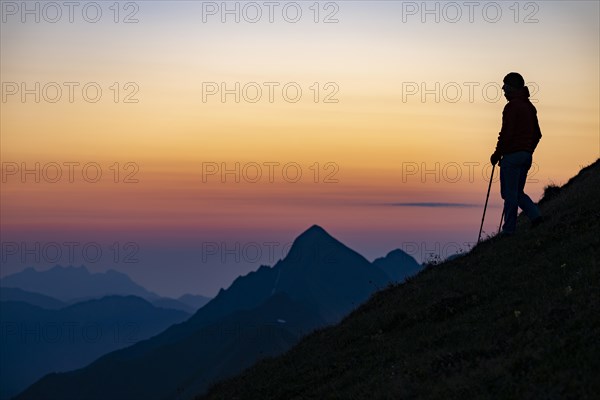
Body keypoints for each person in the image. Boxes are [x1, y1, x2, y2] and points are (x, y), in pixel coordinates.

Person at [490, 72, 543, 235]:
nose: (503, 91)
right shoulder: (529, 107)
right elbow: (537, 134)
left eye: (505, 87)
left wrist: (497, 153)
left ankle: (509, 230)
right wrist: (528, 150)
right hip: (526, 156)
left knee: (509, 194)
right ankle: (536, 217)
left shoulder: (511, 107)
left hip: (512, 157)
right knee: (517, 192)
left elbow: (507, 133)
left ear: (512, 88)